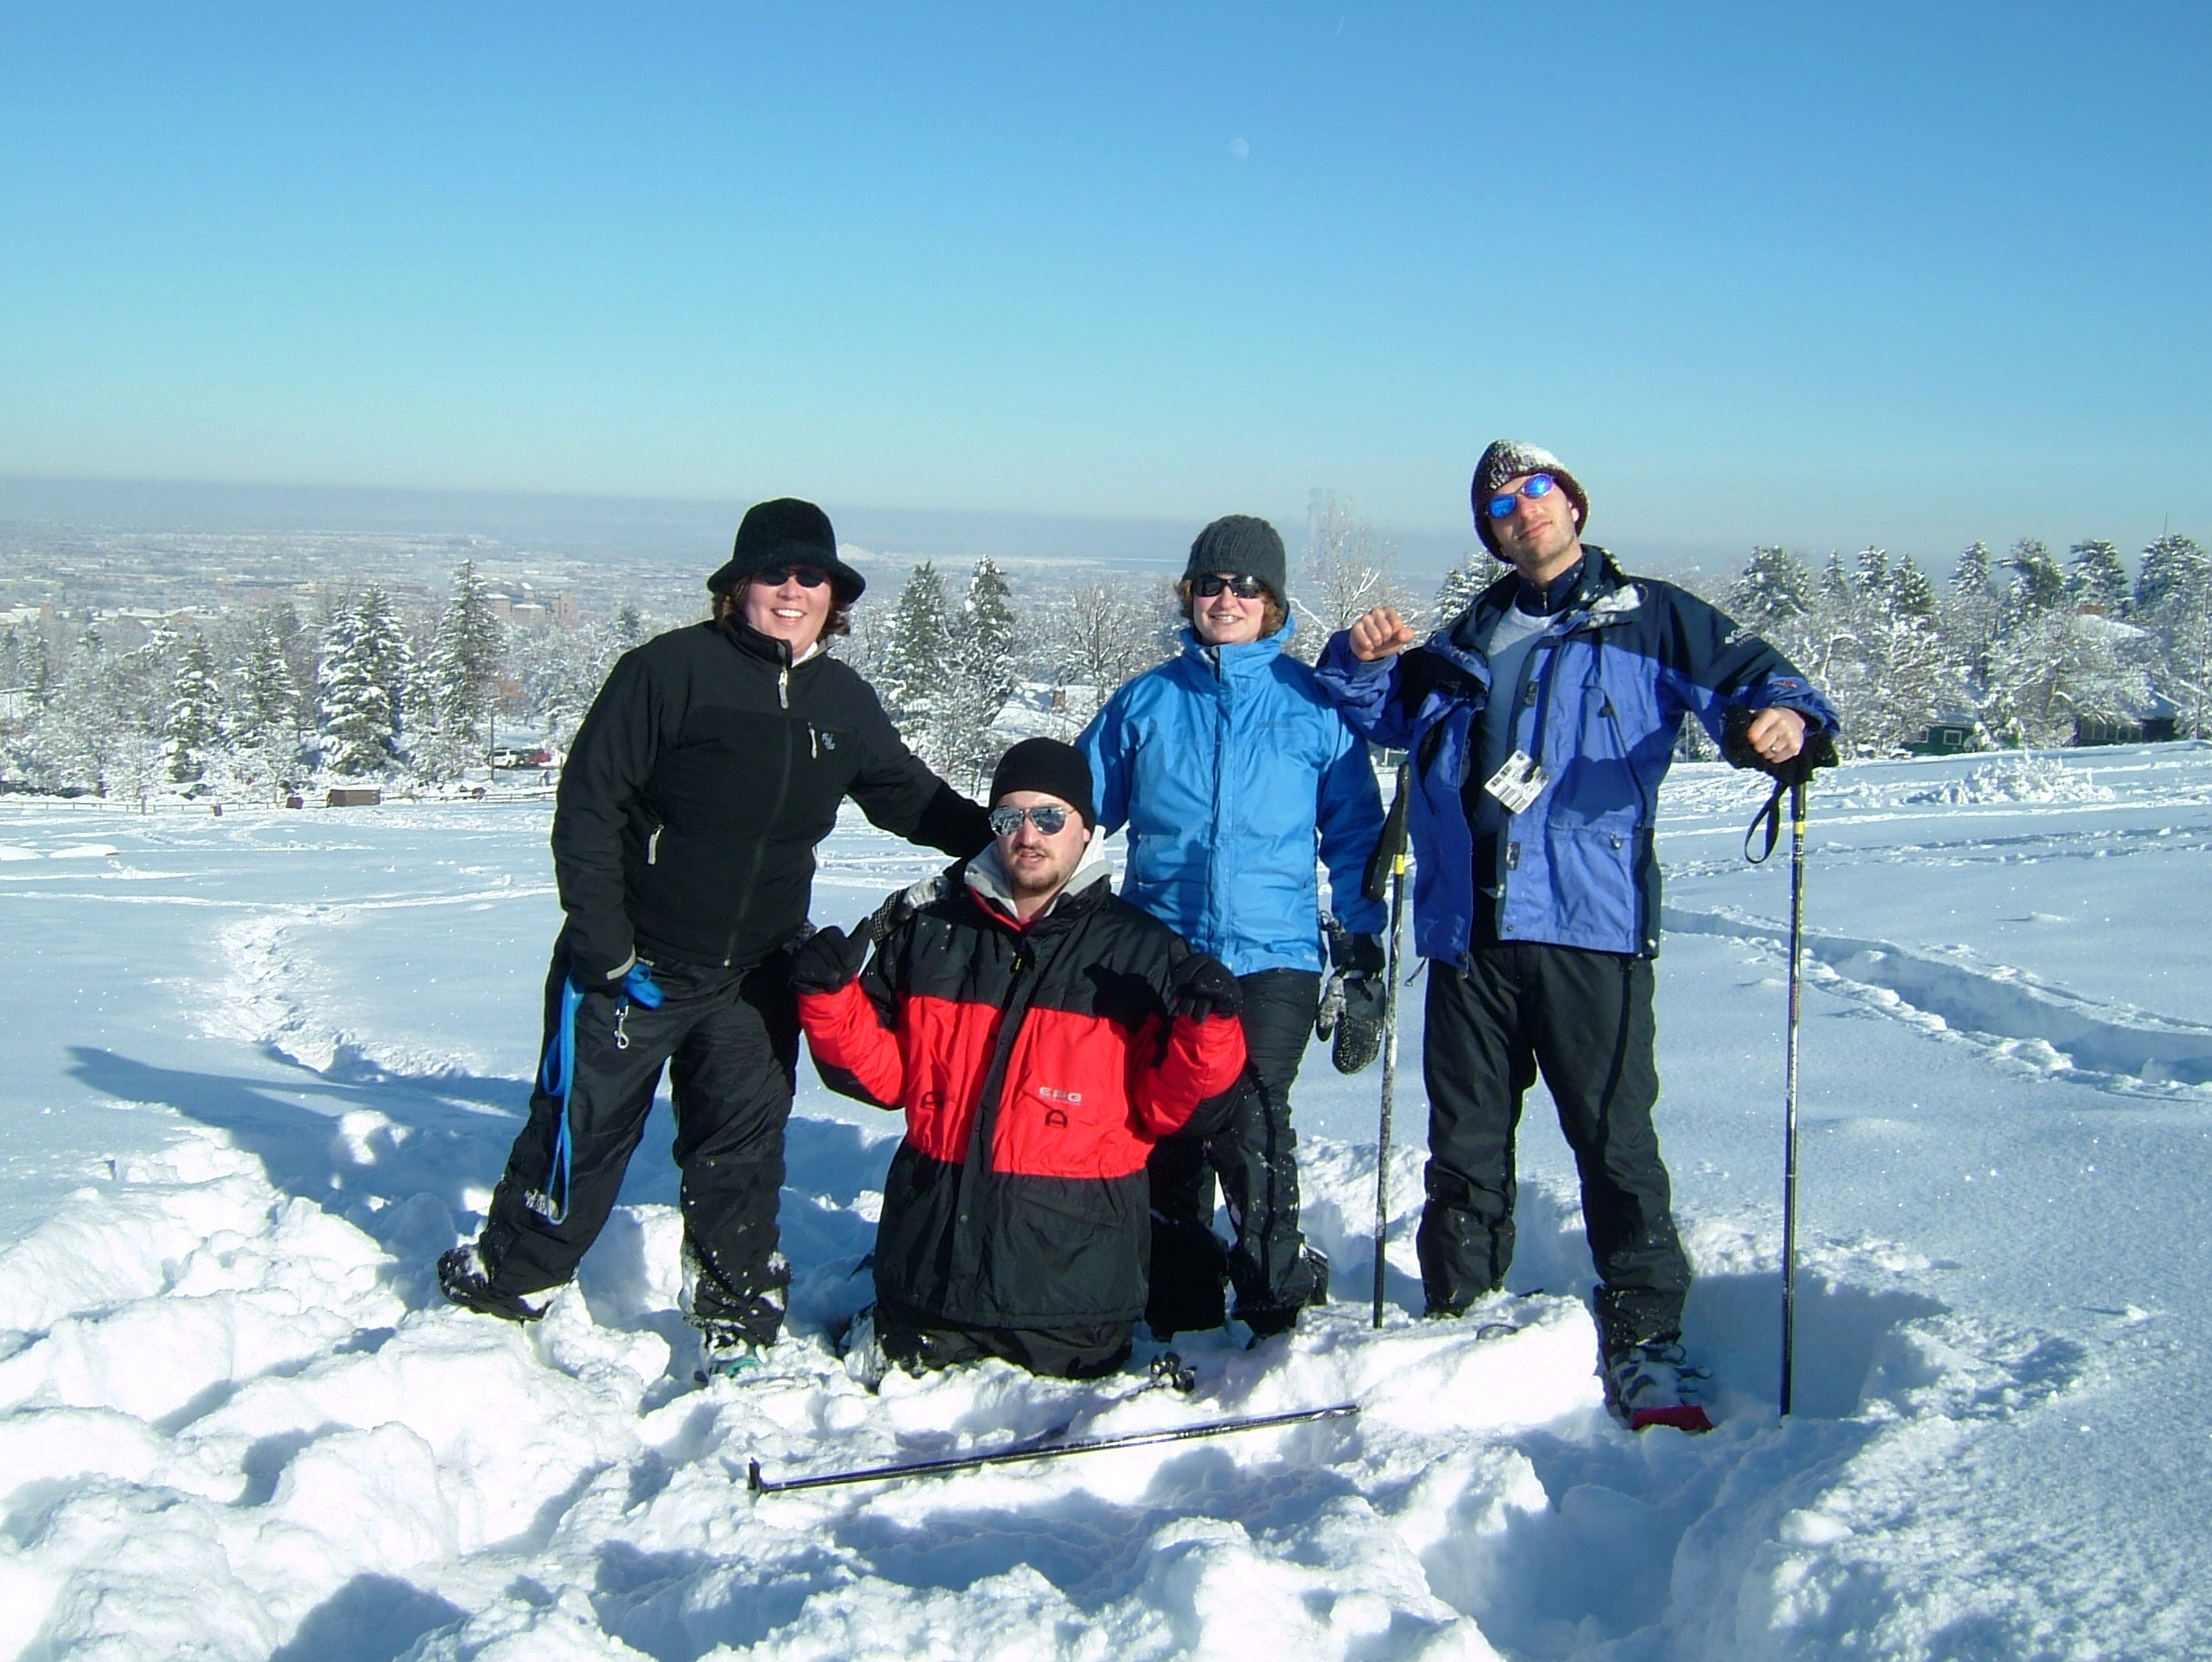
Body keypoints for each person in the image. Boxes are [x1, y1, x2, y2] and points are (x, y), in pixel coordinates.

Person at [1313, 440, 1838, 1431]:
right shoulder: (1465, 639)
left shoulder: (1653, 619)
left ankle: (1647, 1341)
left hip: (1590, 926)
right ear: (1492, 533)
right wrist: (1358, 657)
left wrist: (1781, 723)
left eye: (1540, 489)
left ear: (1574, 503)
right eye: (1502, 504)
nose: (1526, 509)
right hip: (1468, 934)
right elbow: (1379, 713)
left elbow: (1763, 686)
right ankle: (1461, 1319)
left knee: (1614, 1142)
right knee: (1464, 1150)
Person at [438, 498, 994, 1380]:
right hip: (637, 964)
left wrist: (1009, 840)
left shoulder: (841, 701)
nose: (792, 591)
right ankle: (514, 1279)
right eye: (773, 573)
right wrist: (605, 945)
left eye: (811, 576)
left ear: (834, 596)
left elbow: (908, 797)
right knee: (582, 1132)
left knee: (740, 1152)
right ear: (737, 586)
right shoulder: (667, 673)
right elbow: (589, 806)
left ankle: (737, 1313)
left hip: (758, 973)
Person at [793, 738, 1249, 1378]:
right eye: (1009, 817)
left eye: (1050, 817)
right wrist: (829, 999)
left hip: (1069, 1308)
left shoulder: (1142, 953)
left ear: (1085, 830)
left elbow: (1180, 1113)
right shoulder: (932, 933)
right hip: (927, 1290)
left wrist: (1209, 1033)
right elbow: (882, 1079)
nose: (1028, 835)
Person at [1078, 515, 1386, 1341]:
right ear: (1190, 594)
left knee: (1252, 1117)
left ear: (1272, 600)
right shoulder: (1147, 702)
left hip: (1273, 954)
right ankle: (1178, 1304)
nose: (1227, 598)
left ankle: (1274, 1298)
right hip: (1161, 949)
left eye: (1246, 586)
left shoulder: (1312, 705)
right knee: (1167, 1127)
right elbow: (1077, 811)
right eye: (1211, 584)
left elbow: (1356, 835)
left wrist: (1360, 950)